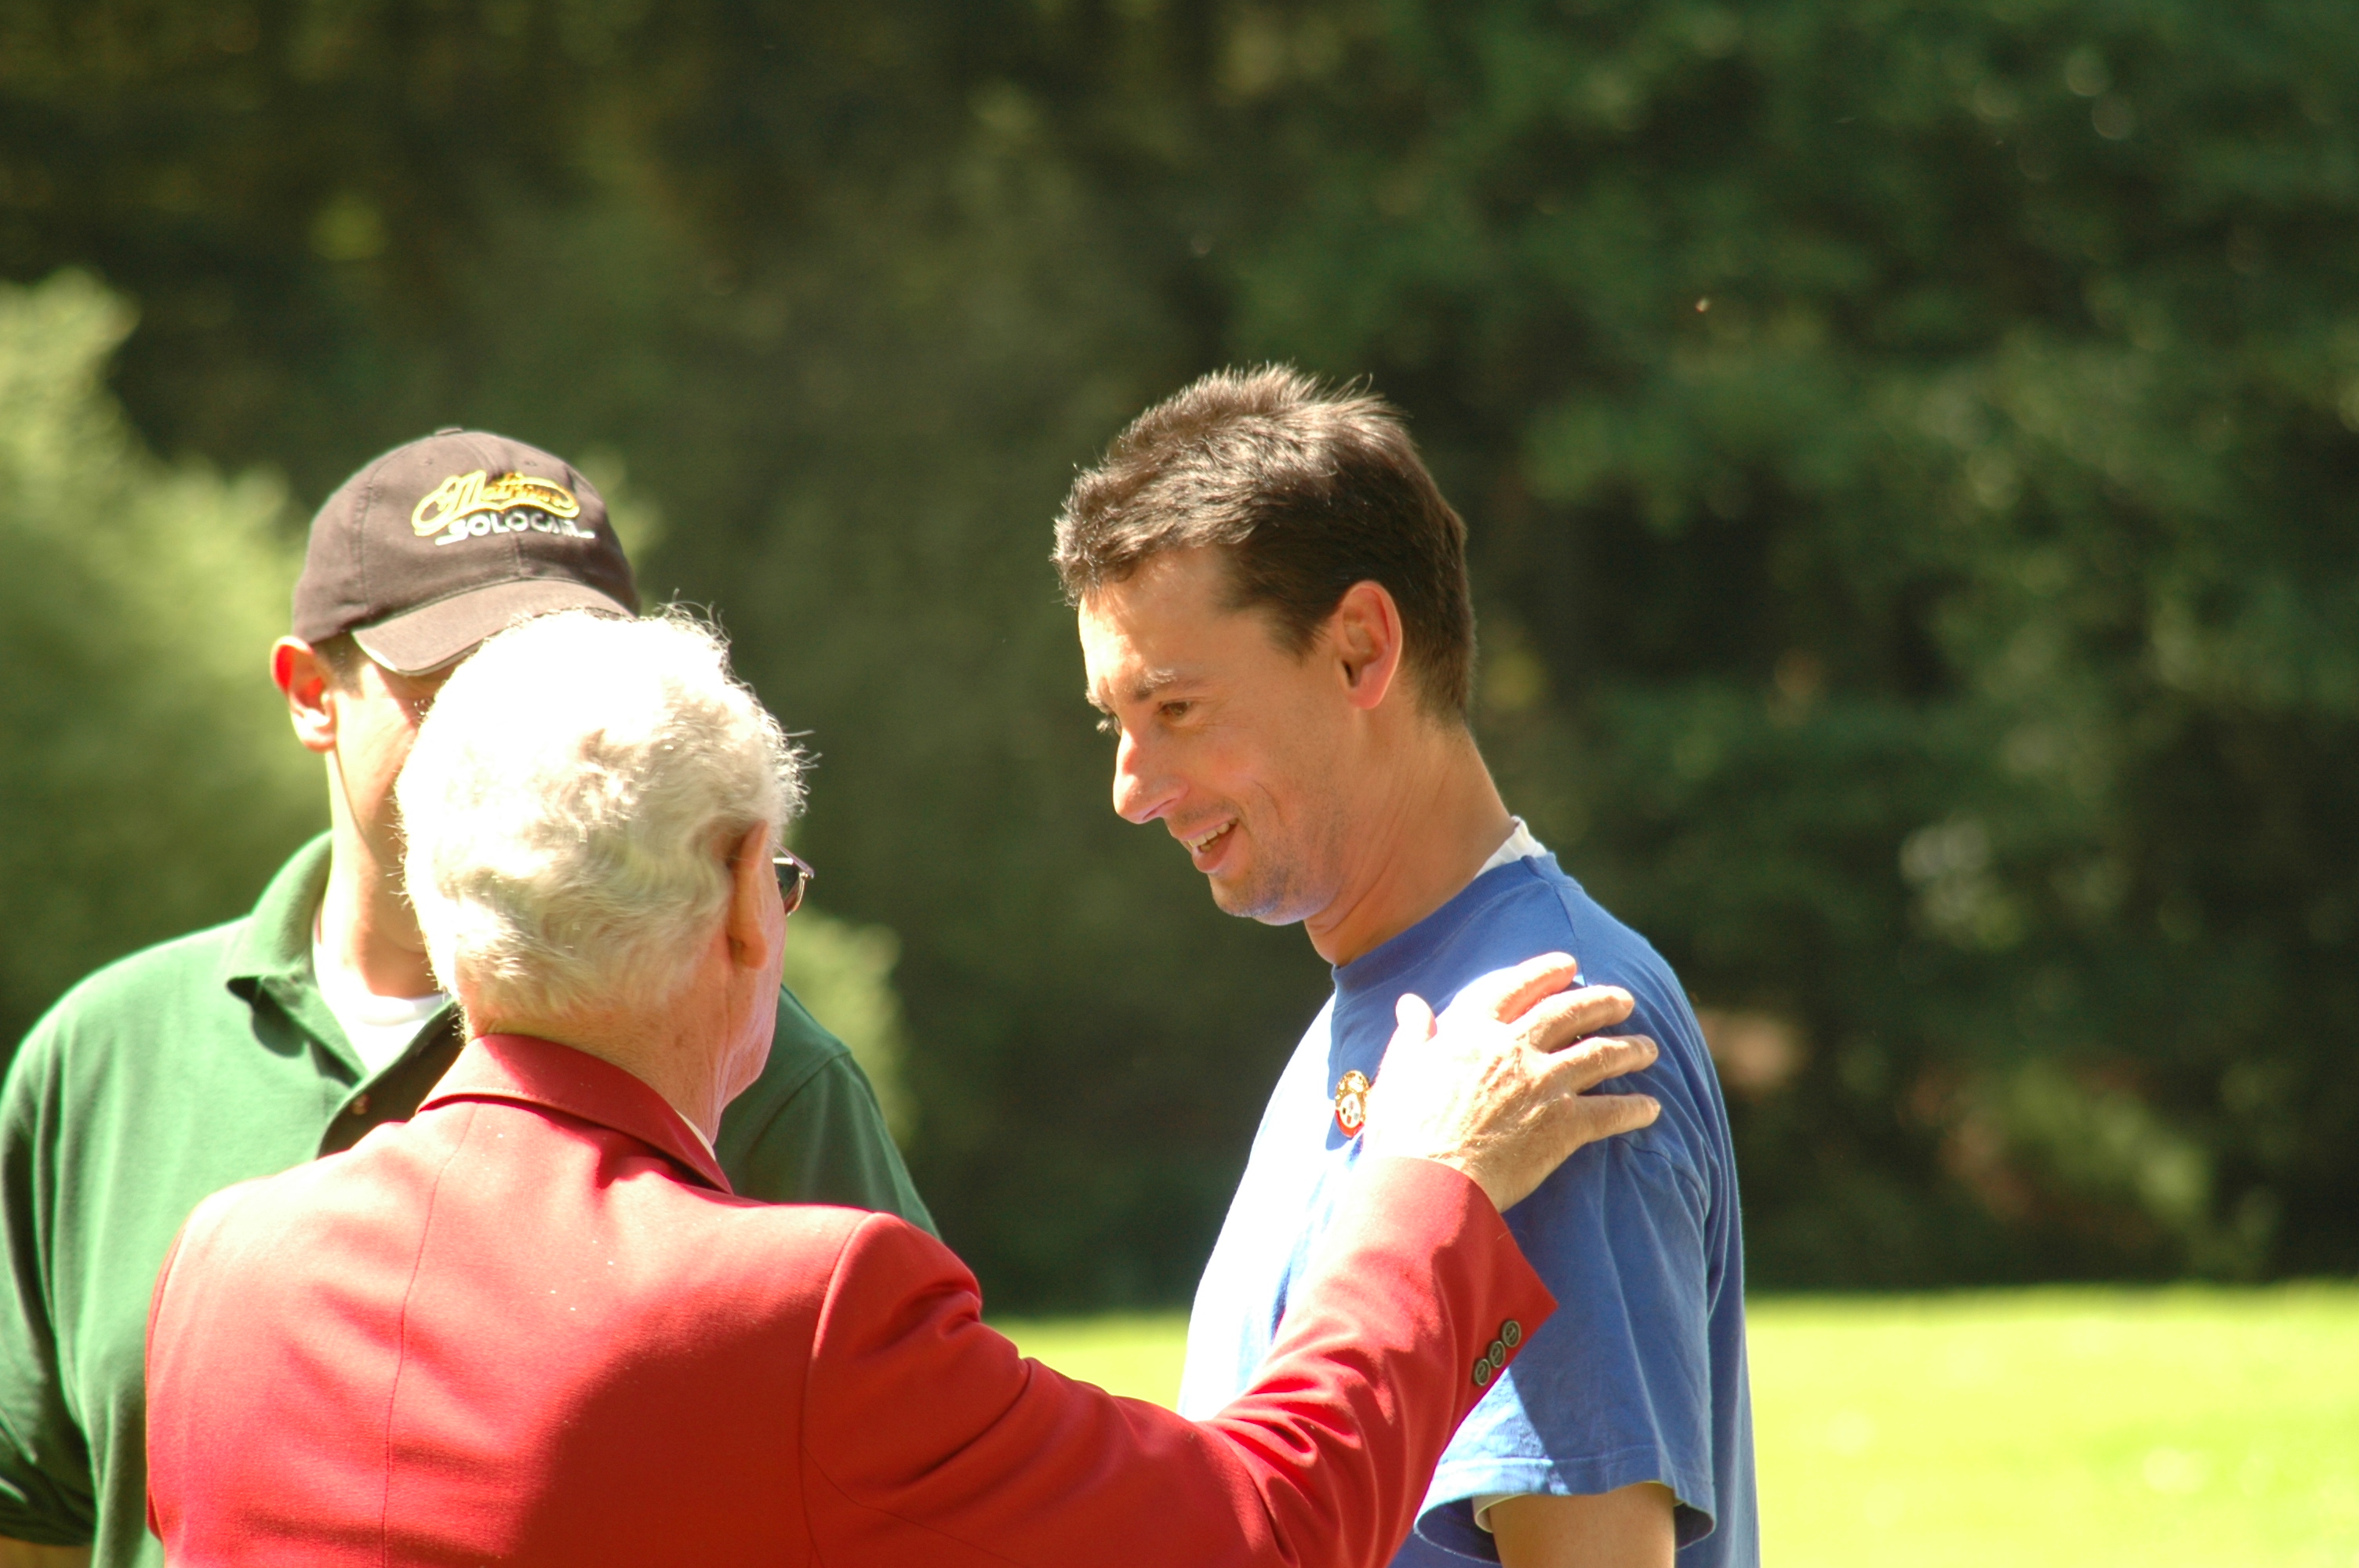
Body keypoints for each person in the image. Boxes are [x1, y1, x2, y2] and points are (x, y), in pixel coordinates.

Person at [144, 608, 1666, 1566]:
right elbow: (1258, 1530)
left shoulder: (225, 1266)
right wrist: (1427, 1185)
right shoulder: (796, 1314)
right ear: (749, 891)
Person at [0, 432, 927, 1568]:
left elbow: (914, 1500)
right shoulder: (103, 1055)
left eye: (558, 695)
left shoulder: (760, 1065)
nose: (510, 746)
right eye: (447, 689)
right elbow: (30, 1519)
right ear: (311, 693)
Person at [1054, 368, 1759, 1568]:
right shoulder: (1398, 1011)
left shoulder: (1539, 1039)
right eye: (1112, 720)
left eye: (1173, 708)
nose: (1131, 789)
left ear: (1359, 649)